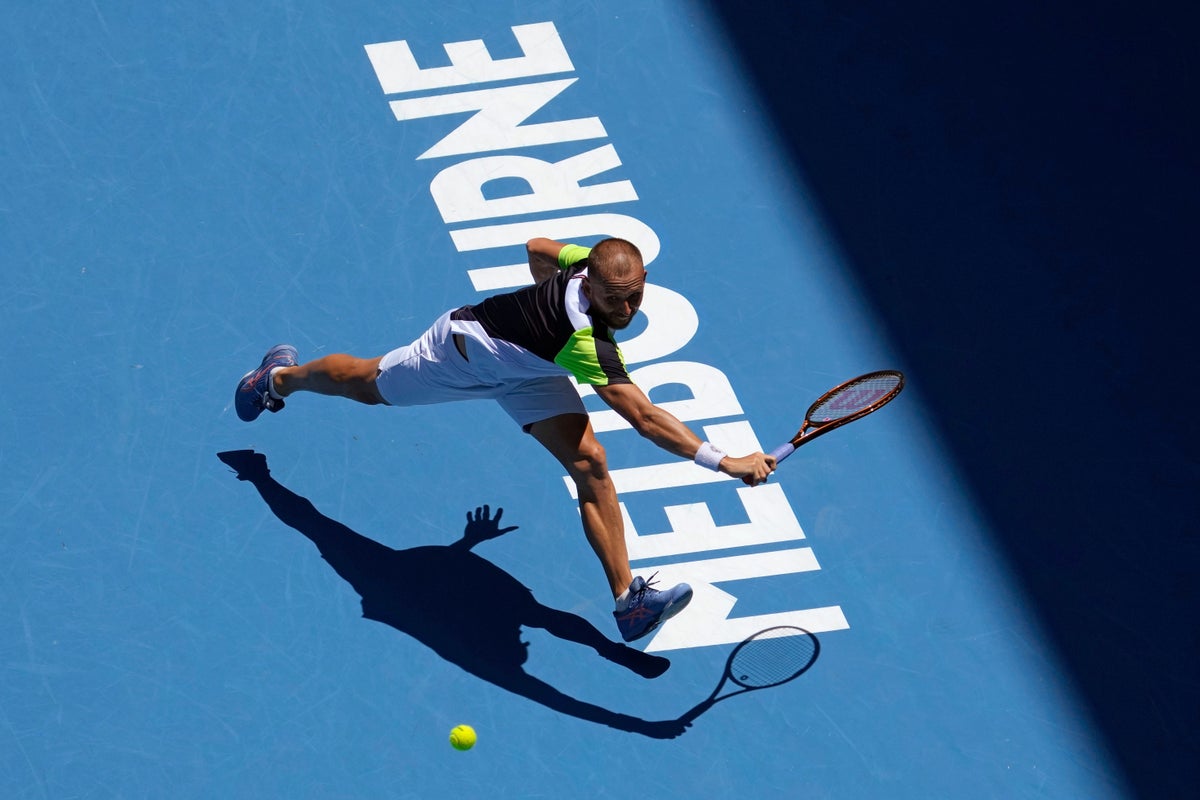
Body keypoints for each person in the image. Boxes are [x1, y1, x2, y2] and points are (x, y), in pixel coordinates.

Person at [233, 237, 776, 642]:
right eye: (616, 301)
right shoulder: (586, 342)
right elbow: (645, 418)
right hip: (459, 354)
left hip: (532, 370)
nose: (628, 312)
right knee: (364, 384)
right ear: (589, 285)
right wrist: (725, 462)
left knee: (590, 465)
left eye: (635, 297)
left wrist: (539, 303)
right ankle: (278, 380)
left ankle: (627, 602)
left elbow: (538, 248)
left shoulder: (586, 264)